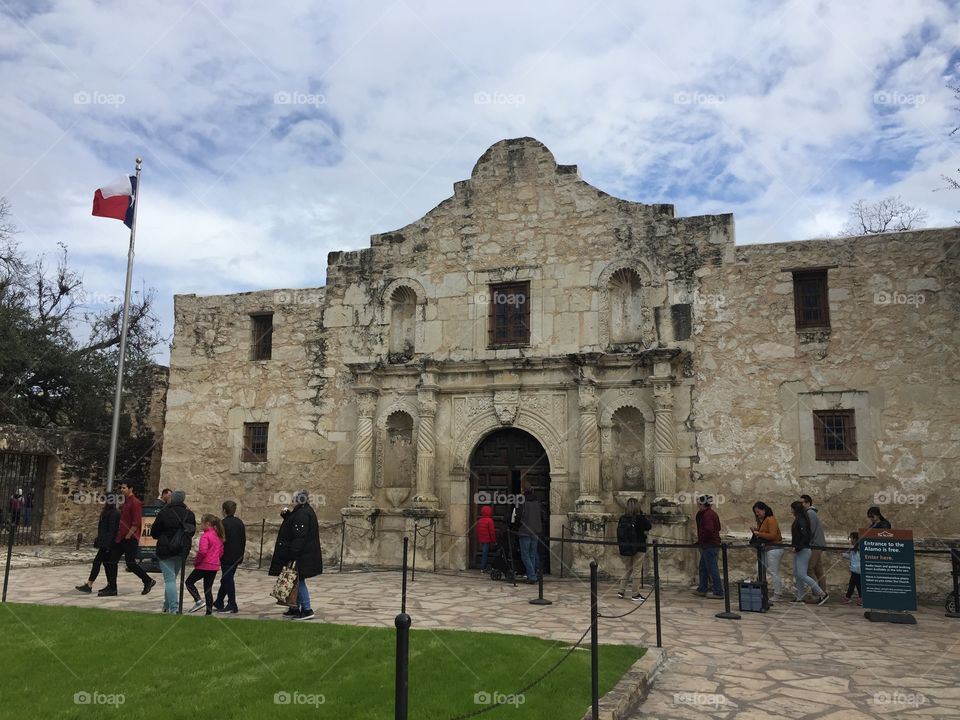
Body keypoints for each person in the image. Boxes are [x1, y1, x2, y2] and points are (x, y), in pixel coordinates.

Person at [269, 491, 323, 620]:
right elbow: (294, 525)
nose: (293, 501)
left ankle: (307, 609)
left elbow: (300, 535)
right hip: (301, 554)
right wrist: (287, 516)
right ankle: (294, 607)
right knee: (295, 580)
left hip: (301, 555)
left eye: (294, 499)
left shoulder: (303, 513)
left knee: (299, 580)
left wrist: (293, 553)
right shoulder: (302, 511)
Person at [99, 482, 155, 597]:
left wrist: (129, 535)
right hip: (121, 538)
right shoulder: (125, 502)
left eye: (124, 488)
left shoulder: (135, 503)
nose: (122, 490)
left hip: (130, 538)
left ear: (131, 488)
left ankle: (147, 580)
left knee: (130, 563)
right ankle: (112, 587)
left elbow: (136, 522)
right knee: (111, 561)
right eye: (121, 488)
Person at [150, 490, 196, 613]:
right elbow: (191, 531)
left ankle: (174, 608)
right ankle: (166, 605)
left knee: (169, 580)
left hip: (166, 549)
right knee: (171, 578)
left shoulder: (164, 512)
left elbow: (154, 532)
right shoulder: (189, 514)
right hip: (181, 549)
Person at [75, 495, 120, 593]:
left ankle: (91, 584)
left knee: (98, 562)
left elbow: (111, 531)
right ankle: (110, 585)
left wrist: (107, 545)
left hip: (108, 545)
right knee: (105, 564)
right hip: (104, 543)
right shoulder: (107, 512)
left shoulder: (114, 513)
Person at [790, 501, 828, 605]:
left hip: (803, 550)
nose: (791, 511)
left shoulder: (801, 520)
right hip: (799, 549)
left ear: (795, 509)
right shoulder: (799, 519)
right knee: (797, 574)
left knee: (802, 574)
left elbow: (805, 536)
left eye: (792, 509)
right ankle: (801, 596)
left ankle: (822, 593)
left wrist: (797, 547)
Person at [185, 514, 225, 615]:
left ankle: (198, 600)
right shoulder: (218, 535)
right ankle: (209, 611)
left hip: (204, 565)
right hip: (214, 566)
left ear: (207, 524)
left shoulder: (206, 535)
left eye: (202, 523)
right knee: (208, 588)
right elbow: (221, 552)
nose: (201, 525)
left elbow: (202, 551)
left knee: (189, 582)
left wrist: (197, 561)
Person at [616, 498, 652, 602]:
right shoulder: (640, 518)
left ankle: (621, 591)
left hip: (626, 546)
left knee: (627, 569)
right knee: (636, 570)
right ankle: (635, 593)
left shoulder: (623, 518)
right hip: (639, 547)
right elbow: (649, 526)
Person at [213, 500, 246, 613]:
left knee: (228, 579)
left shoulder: (222, 524)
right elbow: (243, 540)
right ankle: (219, 601)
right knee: (226, 579)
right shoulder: (239, 523)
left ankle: (232, 604)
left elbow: (219, 541)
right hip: (237, 555)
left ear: (224, 510)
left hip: (226, 556)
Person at [750, 501, 784, 602]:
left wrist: (759, 534)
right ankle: (762, 588)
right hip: (766, 549)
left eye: (758, 511)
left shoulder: (770, 519)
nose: (757, 514)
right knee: (759, 568)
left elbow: (773, 535)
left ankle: (778, 593)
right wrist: (756, 530)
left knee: (774, 571)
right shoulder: (762, 520)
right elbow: (765, 532)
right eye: (755, 512)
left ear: (764, 510)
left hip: (774, 549)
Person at [692, 495, 723, 599]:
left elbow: (709, 530)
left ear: (702, 504)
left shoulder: (708, 515)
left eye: (698, 504)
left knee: (712, 568)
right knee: (703, 568)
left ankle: (718, 591)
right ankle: (702, 588)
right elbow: (718, 527)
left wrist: (701, 540)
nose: (697, 506)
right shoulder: (708, 514)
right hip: (708, 544)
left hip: (710, 545)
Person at [516, 480, 543, 585]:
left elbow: (518, 516)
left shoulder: (521, 500)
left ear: (523, 491)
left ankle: (531, 576)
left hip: (525, 531)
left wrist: (516, 526)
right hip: (535, 530)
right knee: (532, 554)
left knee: (525, 555)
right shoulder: (537, 501)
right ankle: (534, 574)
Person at [800, 494, 827, 594]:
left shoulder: (810, 513)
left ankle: (817, 593)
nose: (801, 504)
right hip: (817, 544)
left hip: (815, 545)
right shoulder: (810, 513)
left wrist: (804, 542)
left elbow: (810, 530)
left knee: (809, 569)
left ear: (808, 503)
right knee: (818, 570)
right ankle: (823, 592)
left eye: (802, 502)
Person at [842, 531, 862, 606]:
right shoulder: (854, 548)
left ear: (855, 539)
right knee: (853, 584)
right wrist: (843, 555)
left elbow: (856, 559)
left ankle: (854, 597)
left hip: (857, 570)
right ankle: (849, 597)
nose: (850, 540)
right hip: (855, 570)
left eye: (851, 538)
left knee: (856, 585)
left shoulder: (859, 548)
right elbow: (850, 556)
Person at [475, 505, 496, 573]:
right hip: (487, 539)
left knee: (484, 552)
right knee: (485, 553)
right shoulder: (490, 521)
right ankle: (483, 567)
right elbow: (492, 532)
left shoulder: (480, 520)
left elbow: (478, 530)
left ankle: (483, 566)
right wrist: (494, 540)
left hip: (482, 539)